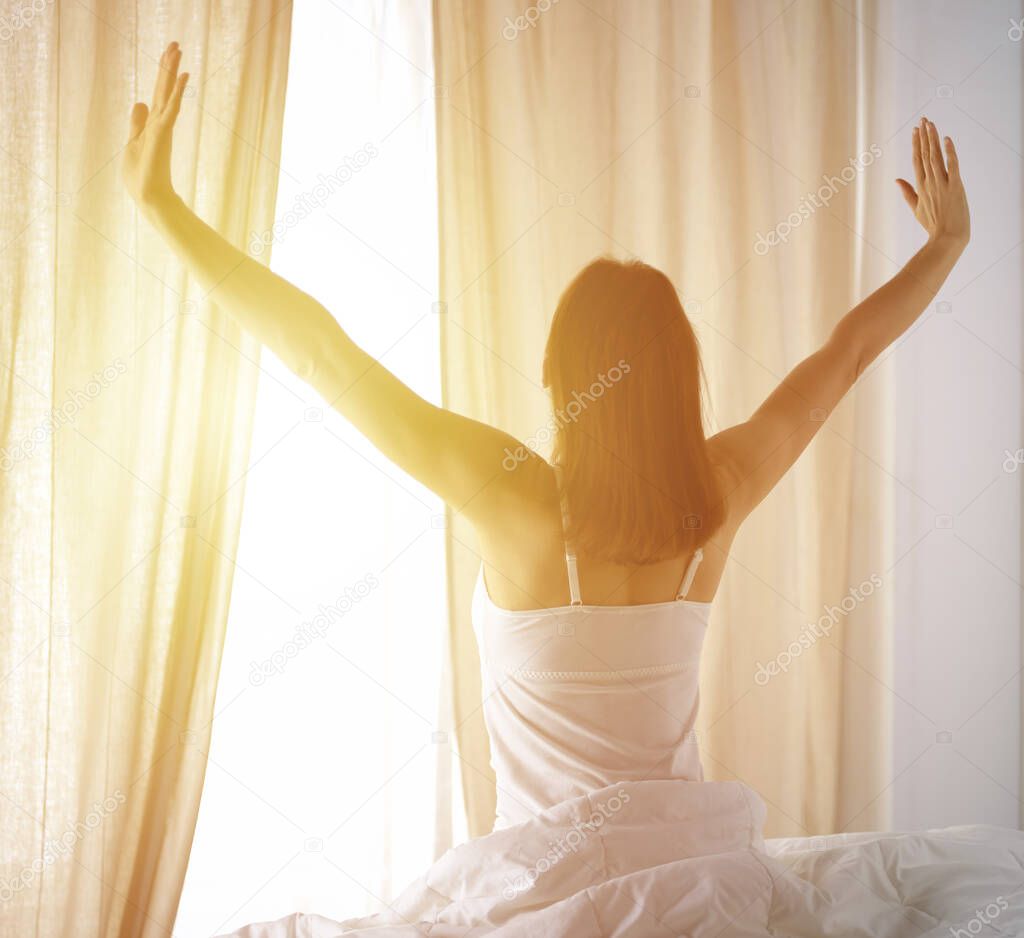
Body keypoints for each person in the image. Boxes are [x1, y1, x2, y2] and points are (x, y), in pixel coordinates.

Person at [127, 42, 990, 938]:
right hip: (699, 879)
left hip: (535, 891)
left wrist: (163, 210)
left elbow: (321, 350)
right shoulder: (719, 497)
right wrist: (948, 245)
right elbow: (843, 355)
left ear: (555, 375)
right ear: (679, 378)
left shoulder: (514, 500)